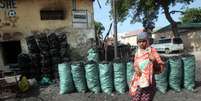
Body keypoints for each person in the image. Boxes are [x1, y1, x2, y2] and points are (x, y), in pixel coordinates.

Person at [129, 32, 164, 101]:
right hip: (138, 81)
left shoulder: (152, 51)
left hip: (148, 82)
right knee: (136, 98)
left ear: (147, 41)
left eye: (143, 41)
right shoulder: (137, 52)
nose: (141, 43)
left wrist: (154, 61)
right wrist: (136, 68)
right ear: (137, 43)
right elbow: (136, 64)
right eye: (139, 41)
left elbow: (160, 68)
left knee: (146, 99)